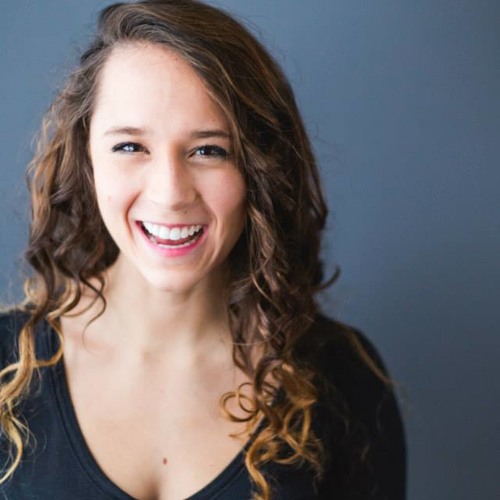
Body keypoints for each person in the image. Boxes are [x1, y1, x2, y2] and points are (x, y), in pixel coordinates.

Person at [0, 1, 406, 498]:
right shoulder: (5, 364)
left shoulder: (343, 378)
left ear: (260, 169)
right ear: (87, 160)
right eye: (130, 147)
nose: (170, 193)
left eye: (209, 150)